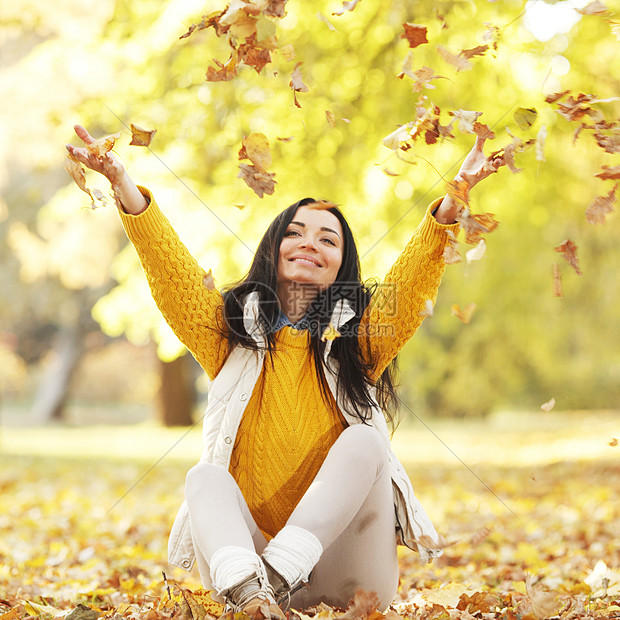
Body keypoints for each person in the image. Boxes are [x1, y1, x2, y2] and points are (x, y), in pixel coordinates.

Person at [66, 125, 501, 619]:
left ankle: (271, 580)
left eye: (327, 238)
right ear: (271, 253)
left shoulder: (359, 339)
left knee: (365, 442)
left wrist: (454, 201)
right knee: (204, 477)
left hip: (348, 573)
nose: (309, 243)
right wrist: (124, 185)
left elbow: (415, 272)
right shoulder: (230, 338)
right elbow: (174, 277)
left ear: (342, 265)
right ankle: (256, 594)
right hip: (242, 569)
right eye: (293, 232)